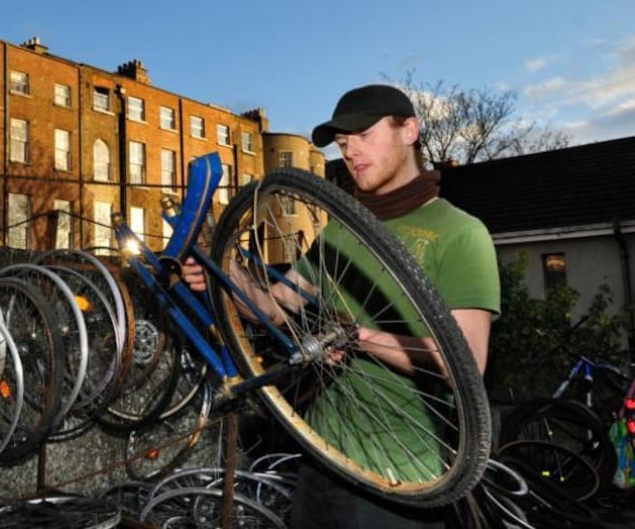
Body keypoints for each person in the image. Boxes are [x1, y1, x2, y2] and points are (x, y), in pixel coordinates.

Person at [182, 84, 501, 528]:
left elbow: (465, 361)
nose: (349, 152)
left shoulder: (460, 233)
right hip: (322, 460)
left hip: (400, 479)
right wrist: (223, 272)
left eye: (363, 136)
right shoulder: (339, 233)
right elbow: (273, 309)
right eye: (343, 143)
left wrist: (359, 337)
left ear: (409, 130)